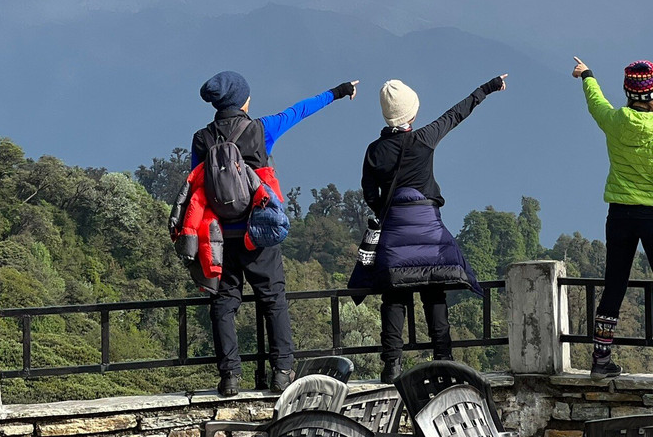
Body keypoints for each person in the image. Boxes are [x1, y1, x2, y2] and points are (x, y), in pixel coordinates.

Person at [190, 70, 358, 397]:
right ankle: (282, 372)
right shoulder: (260, 129)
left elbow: (197, 182)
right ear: (242, 100)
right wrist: (338, 91)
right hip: (258, 232)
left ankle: (229, 378)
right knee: (273, 299)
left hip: (219, 237)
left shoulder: (202, 139)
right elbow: (300, 110)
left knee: (223, 303)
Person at [349, 75, 507, 383]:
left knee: (393, 297)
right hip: (429, 230)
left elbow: (369, 193)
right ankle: (444, 358)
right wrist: (486, 88)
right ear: (410, 112)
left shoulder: (374, 151)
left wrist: (386, 210)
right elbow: (456, 114)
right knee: (434, 291)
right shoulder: (424, 139)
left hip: (394, 232)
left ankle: (392, 365)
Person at [571, 57, 653, 384]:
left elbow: (596, 104)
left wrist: (587, 75)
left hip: (619, 213)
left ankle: (601, 359)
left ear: (628, 91)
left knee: (614, 283)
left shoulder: (616, 121)